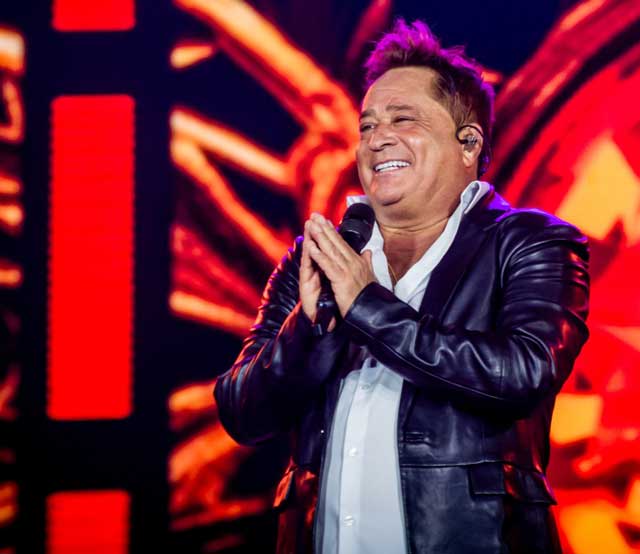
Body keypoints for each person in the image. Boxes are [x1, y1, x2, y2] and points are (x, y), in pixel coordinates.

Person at [214, 19, 590, 554]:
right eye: (367, 126)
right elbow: (241, 410)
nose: (377, 138)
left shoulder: (530, 243)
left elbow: (524, 372)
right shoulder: (319, 255)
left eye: (403, 119)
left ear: (468, 143)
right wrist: (310, 327)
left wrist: (367, 307)